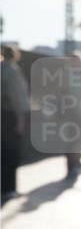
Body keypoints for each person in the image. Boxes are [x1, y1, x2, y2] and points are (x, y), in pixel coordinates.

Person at [1, 45, 29, 204]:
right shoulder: (11, 71)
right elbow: (17, 97)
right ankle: (8, 189)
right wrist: (20, 120)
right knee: (11, 154)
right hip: (9, 116)